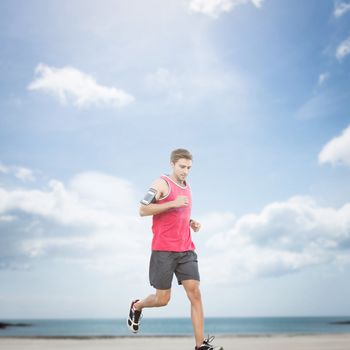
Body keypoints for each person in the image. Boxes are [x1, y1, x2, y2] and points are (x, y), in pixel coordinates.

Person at [127, 148, 223, 350]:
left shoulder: (188, 187)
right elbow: (142, 209)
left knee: (195, 293)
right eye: (182, 166)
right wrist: (172, 203)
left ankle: (200, 346)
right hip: (163, 251)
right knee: (163, 300)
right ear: (172, 164)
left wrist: (190, 222)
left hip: (186, 249)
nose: (185, 171)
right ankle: (137, 306)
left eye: (189, 167)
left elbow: (177, 215)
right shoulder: (161, 183)